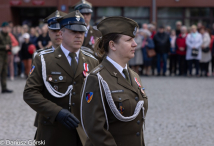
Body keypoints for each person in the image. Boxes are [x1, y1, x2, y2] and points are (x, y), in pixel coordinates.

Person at [23, 11, 99, 146]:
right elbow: (30, 93)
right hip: (54, 132)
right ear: (61, 33)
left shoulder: (92, 61)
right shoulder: (44, 59)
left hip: (83, 133)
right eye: (73, 31)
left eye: (81, 32)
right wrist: (57, 112)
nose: (78, 36)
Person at [81, 16, 148, 146]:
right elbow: (95, 129)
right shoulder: (97, 78)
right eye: (129, 40)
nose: (135, 44)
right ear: (112, 45)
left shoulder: (133, 75)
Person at [32, 10, 67, 129]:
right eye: (54, 30)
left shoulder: (82, 57)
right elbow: (33, 92)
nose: (58, 34)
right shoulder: (40, 58)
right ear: (48, 32)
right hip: (49, 120)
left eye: (61, 30)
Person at [0, 22, 13, 93]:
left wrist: (10, 47)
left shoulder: (8, 35)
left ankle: (4, 88)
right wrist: (5, 47)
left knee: (4, 72)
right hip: (0, 56)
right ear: (2, 28)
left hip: (5, 56)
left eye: (7, 28)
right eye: (5, 28)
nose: (6, 29)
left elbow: (10, 43)